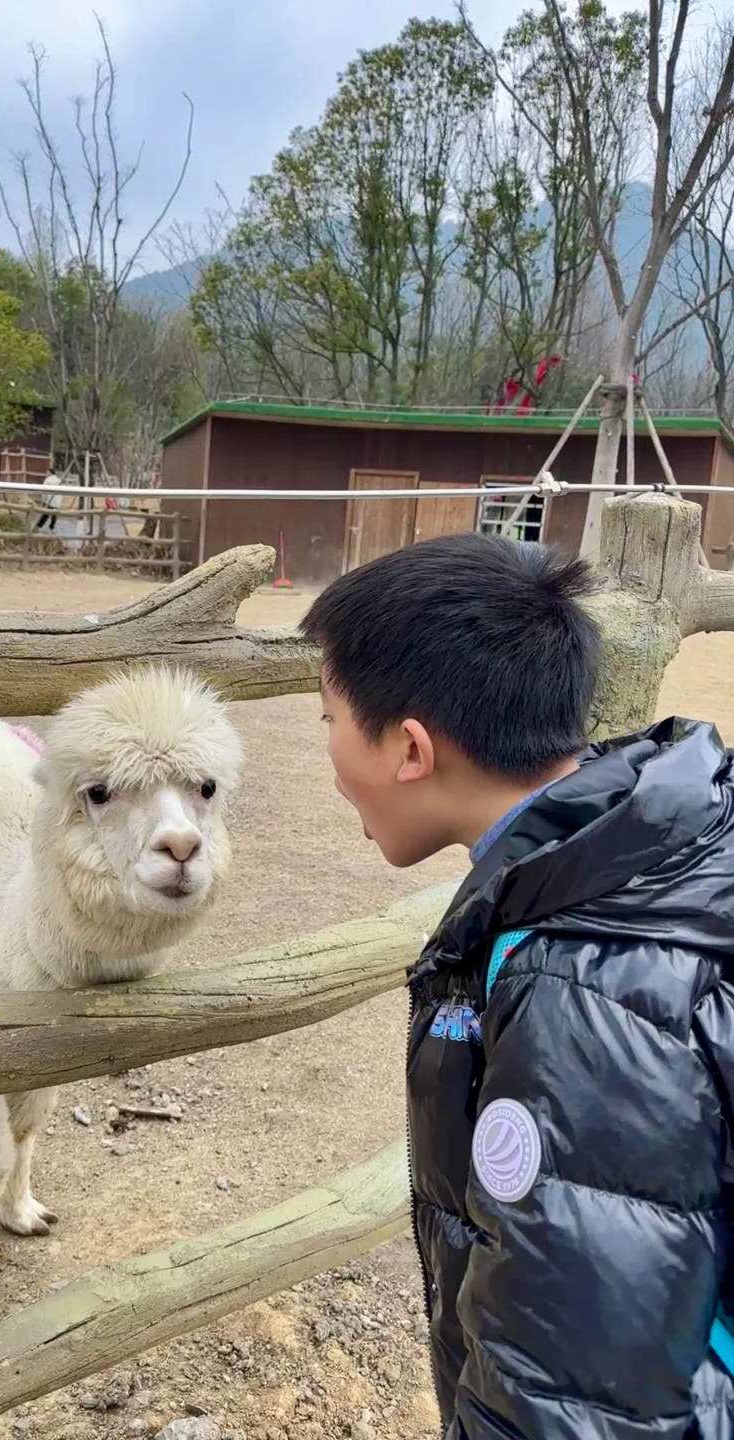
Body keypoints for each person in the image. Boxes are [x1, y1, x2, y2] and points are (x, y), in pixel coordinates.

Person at [300, 531, 734, 1439]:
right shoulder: (653, 860)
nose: (329, 749)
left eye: (330, 718)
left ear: (410, 749)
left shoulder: (582, 995)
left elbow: (576, 1398)